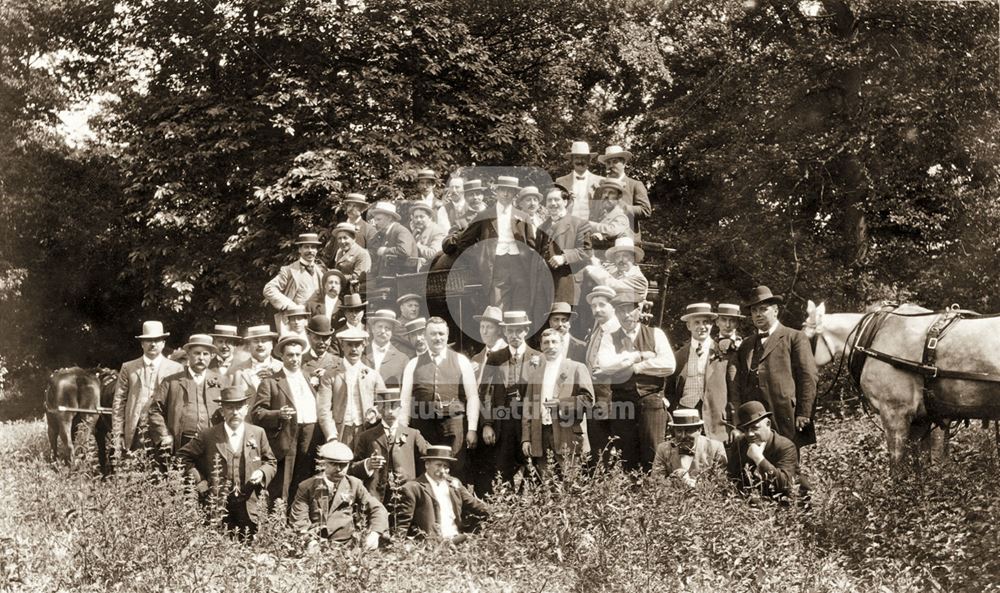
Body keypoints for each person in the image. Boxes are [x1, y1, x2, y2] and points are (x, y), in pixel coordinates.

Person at [177, 386, 277, 537]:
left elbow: (271, 462)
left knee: (249, 546)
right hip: (218, 503)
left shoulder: (257, 433)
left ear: (246, 409)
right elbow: (182, 457)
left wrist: (262, 472)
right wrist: (200, 481)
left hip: (249, 504)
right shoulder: (208, 435)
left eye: (239, 407)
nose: (235, 412)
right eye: (230, 408)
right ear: (222, 411)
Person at [730, 286, 818, 449]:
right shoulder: (746, 344)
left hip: (785, 415)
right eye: (754, 310)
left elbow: (808, 376)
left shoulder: (795, 337)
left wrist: (804, 413)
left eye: (763, 309)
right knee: (754, 464)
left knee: (787, 462)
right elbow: (737, 382)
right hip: (754, 420)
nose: (758, 314)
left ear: (776, 311)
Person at [597, 291, 676, 471]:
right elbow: (606, 365)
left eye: (630, 310)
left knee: (655, 453)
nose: (626, 315)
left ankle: (656, 495)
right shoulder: (609, 337)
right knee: (627, 455)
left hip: (652, 400)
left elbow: (668, 365)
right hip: (622, 402)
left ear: (639, 310)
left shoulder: (656, 334)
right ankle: (631, 495)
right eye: (621, 311)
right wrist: (637, 356)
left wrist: (634, 368)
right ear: (615, 313)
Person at [398, 317, 481, 478]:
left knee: (456, 469)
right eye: (433, 334)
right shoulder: (413, 364)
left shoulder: (461, 361)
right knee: (425, 469)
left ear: (447, 336)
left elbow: (472, 397)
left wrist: (471, 429)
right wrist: (403, 429)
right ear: (425, 336)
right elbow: (405, 400)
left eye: (441, 334)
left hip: (454, 426)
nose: (437, 338)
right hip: (423, 427)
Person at [441, 175, 538, 313]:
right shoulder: (484, 216)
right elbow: (464, 242)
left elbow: (531, 245)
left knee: (521, 306)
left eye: (509, 191)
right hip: (496, 265)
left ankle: (517, 334)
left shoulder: (523, 216)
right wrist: (480, 257)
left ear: (515, 194)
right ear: (496, 192)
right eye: (502, 190)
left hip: (520, 265)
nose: (505, 194)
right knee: (497, 308)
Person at [251, 333, 322, 505]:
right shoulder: (271, 381)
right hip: (286, 437)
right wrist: (277, 414)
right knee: (283, 485)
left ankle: (298, 521)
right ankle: (277, 523)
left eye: (298, 354)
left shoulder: (308, 377)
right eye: (290, 355)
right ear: (281, 356)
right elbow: (257, 413)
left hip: (310, 435)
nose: (294, 359)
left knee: (304, 482)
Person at [473, 311, 539, 496]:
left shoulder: (537, 357)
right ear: (504, 332)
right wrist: (486, 424)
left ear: (526, 331)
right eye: (510, 331)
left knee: (531, 467)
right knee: (502, 468)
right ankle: (506, 511)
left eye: (519, 331)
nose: (514, 335)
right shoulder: (495, 358)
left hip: (528, 421)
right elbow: (484, 392)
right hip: (503, 423)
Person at [521, 329, 594, 478]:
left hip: (568, 434)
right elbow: (529, 408)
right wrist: (526, 438)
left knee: (571, 484)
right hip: (541, 435)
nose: (550, 346)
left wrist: (561, 404)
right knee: (547, 485)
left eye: (554, 342)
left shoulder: (576, 368)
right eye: (546, 342)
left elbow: (588, 400)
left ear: (562, 344)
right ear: (541, 346)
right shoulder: (535, 373)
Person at [289, 441, 388, 547]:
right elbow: (298, 519)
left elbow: (378, 509)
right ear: (323, 463)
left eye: (344, 465)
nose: (339, 469)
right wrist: (309, 541)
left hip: (347, 545)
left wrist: (375, 533)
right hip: (315, 543)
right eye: (333, 464)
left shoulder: (354, 484)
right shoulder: (307, 486)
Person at [348, 389, 430, 511]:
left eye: (394, 406)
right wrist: (367, 464)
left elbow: (430, 455)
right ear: (379, 409)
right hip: (375, 498)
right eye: (385, 406)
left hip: (405, 496)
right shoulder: (366, 436)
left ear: (400, 408)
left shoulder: (413, 434)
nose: (390, 411)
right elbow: (352, 468)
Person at [112, 321, 184, 452]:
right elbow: (119, 402)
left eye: (157, 340)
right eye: (148, 340)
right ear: (142, 344)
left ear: (163, 343)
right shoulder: (128, 368)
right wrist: (118, 434)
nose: (153, 344)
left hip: (165, 432)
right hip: (136, 431)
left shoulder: (176, 369)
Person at [148, 334, 226, 452]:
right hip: (182, 441)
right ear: (188, 354)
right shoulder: (171, 381)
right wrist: (164, 435)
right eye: (197, 353)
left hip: (212, 442)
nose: (201, 358)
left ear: (211, 356)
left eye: (205, 354)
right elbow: (154, 410)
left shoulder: (221, 382)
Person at [666, 303, 730, 442]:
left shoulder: (724, 352)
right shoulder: (678, 356)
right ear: (689, 326)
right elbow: (670, 390)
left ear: (712, 325)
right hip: (686, 412)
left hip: (714, 415)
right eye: (697, 322)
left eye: (706, 322)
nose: (702, 326)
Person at [397, 445, 490, 541]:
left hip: (457, 538)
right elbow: (403, 523)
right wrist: (398, 546)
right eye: (438, 465)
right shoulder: (413, 488)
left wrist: (498, 513)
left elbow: (475, 504)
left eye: (446, 466)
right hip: (431, 544)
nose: (442, 470)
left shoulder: (454, 484)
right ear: (427, 464)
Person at [315, 327, 386, 450]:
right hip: (341, 431)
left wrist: (375, 412)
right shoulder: (330, 375)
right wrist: (331, 435)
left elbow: (384, 404)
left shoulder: (372, 374)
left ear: (363, 346)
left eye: (357, 345)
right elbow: (323, 409)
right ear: (342, 346)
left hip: (367, 430)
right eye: (349, 345)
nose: (353, 349)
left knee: (364, 466)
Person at [726, 401, 798, 500]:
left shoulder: (785, 446)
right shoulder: (741, 443)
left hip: (783, 504)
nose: (750, 434)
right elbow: (732, 477)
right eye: (746, 429)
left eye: (755, 428)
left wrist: (759, 459)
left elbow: (785, 485)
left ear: (768, 424)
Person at [537, 184, 593, 306]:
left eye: (556, 200)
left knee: (566, 322)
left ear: (565, 202)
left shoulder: (579, 224)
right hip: (545, 285)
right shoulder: (542, 228)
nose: (553, 203)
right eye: (549, 200)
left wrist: (564, 257)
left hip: (567, 282)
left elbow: (587, 251)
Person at [263, 232, 327, 333]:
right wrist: (290, 305)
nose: (310, 251)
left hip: (317, 322)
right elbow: (269, 289)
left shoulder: (322, 270)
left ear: (317, 250)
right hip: (295, 322)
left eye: (313, 247)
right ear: (299, 249)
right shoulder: (289, 270)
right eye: (306, 247)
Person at [582, 286, 618, 463]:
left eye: (602, 305)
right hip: (595, 400)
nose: (597, 309)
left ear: (613, 307)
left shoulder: (619, 330)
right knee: (599, 450)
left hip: (613, 398)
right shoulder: (596, 330)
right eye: (594, 306)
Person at [651, 409, 726, 487]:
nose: (683, 436)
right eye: (679, 431)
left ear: (699, 430)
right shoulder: (663, 449)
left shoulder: (715, 448)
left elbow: (721, 482)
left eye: (688, 431)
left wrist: (694, 485)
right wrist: (675, 480)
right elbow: (656, 481)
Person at [596, 145, 651, 237]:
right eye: (608, 163)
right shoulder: (600, 188)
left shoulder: (635, 185)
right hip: (602, 241)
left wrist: (624, 208)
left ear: (624, 163)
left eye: (615, 162)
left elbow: (646, 211)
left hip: (627, 240)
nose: (611, 166)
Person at [584, 236, 649, 303]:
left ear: (633, 258)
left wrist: (592, 269)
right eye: (618, 256)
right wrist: (593, 259)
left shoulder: (639, 280)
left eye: (625, 255)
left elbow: (611, 284)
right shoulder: (616, 272)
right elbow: (605, 270)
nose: (620, 260)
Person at [367, 201, 418, 284]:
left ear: (389, 218)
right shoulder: (384, 233)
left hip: (401, 279)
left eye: (379, 219)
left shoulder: (400, 231)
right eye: (375, 220)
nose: (375, 223)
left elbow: (404, 251)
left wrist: (385, 251)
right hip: (389, 277)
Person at [229, 325, 282, 400]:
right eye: (256, 341)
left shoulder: (282, 367)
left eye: (264, 341)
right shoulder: (237, 371)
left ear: (271, 345)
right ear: (249, 346)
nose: (260, 344)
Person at [555, 141, 602, 223]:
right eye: (577, 158)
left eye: (584, 158)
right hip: (568, 227)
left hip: (592, 227)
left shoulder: (600, 181)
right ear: (572, 160)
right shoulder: (560, 182)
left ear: (589, 160)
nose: (580, 161)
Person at [363, 309, 410, 387]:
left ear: (392, 332)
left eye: (387, 328)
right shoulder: (360, 353)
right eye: (380, 326)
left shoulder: (403, 359)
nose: (383, 331)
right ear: (373, 329)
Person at [328, 222, 371, 295]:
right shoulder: (340, 252)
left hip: (357, 293)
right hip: (342, 291)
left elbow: (357, 278)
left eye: (345, 238)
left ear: (354, 238)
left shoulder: (362, 254)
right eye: (339, 238)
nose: (342, 241)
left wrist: (334, 276)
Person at [590, 178, 633, 242]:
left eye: (611, 193)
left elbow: (611, 230)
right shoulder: (600, 215)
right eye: (604, 192)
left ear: (619, 197)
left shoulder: (621, 217)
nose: (606, 196)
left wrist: (588, 224)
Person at [469, 306, 506, 380]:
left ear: (499, 330)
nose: (484, 332)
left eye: (489, 327)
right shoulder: (476, 359)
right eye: (482, 327)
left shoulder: (510, 355)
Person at [410, 202, 446, 267]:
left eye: (421, 217)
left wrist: (417, 245)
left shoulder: (437, 231)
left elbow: (434, 254)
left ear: (430, 217)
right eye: (416, 217)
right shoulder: (417, 231)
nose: (418, 220)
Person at [302, 314, 339, 379]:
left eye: (325, 338)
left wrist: (329, 374)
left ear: (330, 340)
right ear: (309, 337)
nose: (321, 342)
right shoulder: (299, 362)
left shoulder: (339, 363)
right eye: (317, 338)